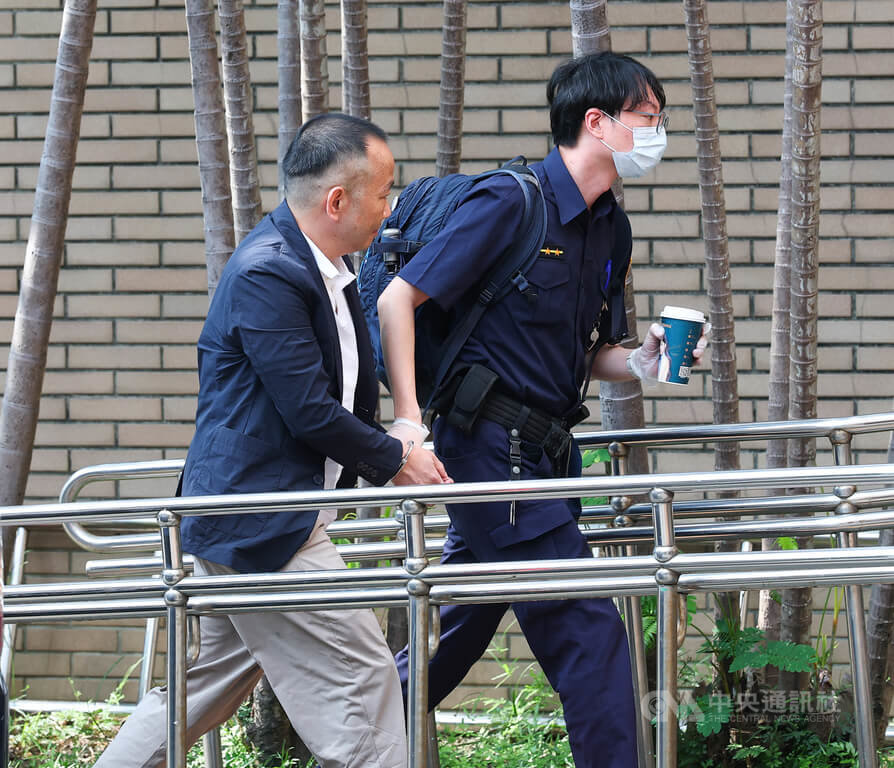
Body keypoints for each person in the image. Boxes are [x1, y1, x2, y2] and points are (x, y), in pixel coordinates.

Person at [378, 52, 707, 767]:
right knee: (590, 632)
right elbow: (397, 299)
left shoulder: (610, 227)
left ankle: (349, 740)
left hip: (546, 453)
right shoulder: (510, 202)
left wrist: (643, 361)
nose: (658, 132)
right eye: (647, 117)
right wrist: (408, 423)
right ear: (597, 121)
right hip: (489, 450)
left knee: (459, 627)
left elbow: (593, 354)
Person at [95, 113, 450, 768]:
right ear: (337, 200)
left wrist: (398, 430)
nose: (390, 208)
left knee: (204, 691)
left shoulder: (323, 266)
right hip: (261, 523)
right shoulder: (271, 272)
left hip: (256, 517)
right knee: (363, 677)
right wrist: (396, 459)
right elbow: (309, 410)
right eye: (383, 192)